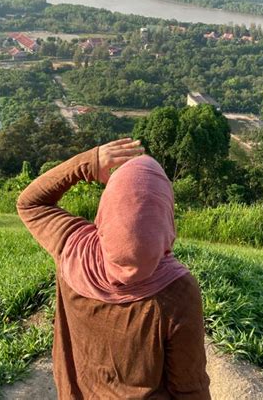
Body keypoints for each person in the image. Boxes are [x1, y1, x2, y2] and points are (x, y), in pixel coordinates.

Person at [17, 137, 211, 399]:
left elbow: (30, 203)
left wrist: (89, 162)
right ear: (165, 215)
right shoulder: (177, 291)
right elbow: (190, 389)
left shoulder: (74, 249)